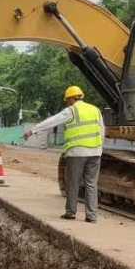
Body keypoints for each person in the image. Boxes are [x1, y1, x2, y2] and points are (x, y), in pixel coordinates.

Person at [22, 85, 103, 223]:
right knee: (91, 184)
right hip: (95, 151)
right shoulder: (95, 110)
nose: (67, 102)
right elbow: (102, 130)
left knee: (73, 182)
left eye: (67, 100)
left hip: (77, 152)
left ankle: (71, 212)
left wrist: (33, 130)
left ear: (71, 98)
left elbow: (52, 121)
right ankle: (91, 215)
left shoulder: (71, 110)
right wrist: (99, 148)